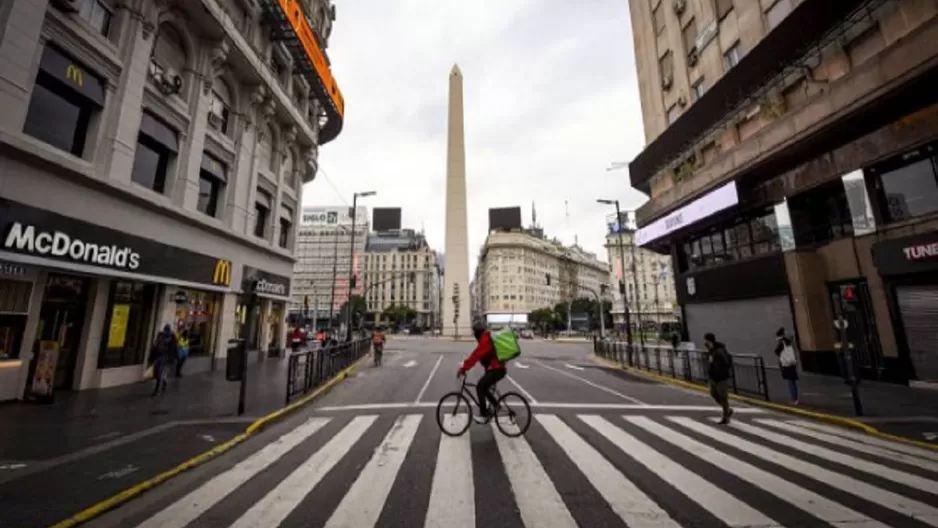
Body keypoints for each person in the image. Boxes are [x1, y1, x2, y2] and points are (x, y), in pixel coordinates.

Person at [457, 320, 506, 424]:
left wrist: (463, 369)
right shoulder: (486, 338)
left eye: (474, 331)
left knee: (480, 387)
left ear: (478, 332)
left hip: (497, 369)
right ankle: (496, 405)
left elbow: (476, 355)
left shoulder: (486, 339)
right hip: (496, 369)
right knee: (484, 387)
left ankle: (484, 415)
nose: (474, 334)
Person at [704, 332, 734, 424]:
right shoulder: (711, 350)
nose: (704, 343)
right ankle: (728, 410)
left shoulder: (719, 351)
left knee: (723, 397)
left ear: (709, 341)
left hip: (721, 377)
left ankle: (725, 417)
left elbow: (726, 363)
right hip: (713, 377)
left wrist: (722, 373)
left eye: (706, 341)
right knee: (713, 393)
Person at [149, 325, 178, 396]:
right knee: (158, 373)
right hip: (159, 356)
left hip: (165, 357)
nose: (165, 332)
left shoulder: (172, 338)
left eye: (166, 330)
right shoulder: (161, 336)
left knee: (161, 373)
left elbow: (173, 349)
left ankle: (157, 389)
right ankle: (162, 384)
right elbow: (155, 345)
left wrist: (172, 358)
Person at [774, 327, 799, 405]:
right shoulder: (789, 341)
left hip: (786, 363)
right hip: (792, 362)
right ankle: (795, 398)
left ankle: (794, 399)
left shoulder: (782, 342)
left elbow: (776, 351)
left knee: (790, 381)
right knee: (793, 381)